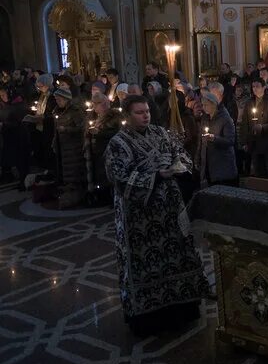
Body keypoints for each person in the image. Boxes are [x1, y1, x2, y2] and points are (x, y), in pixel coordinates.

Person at [104, 95, 209, 336]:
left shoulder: (161, 133)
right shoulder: (118, 143)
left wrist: (178, 166)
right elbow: (118, 178)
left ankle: (183, 309)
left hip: (169, 212)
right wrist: (156, 175)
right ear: (128, 116)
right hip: (139, 219)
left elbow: (181, 154)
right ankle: (149, 318)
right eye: (139, 112)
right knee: (146, 262)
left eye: (147, 111)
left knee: (176, 255)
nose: (145, 115)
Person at [84, 93, 122, 202]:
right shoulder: (94, 116)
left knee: (109, 175)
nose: (94, 106)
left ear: (105, 104)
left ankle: (111, 197)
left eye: (97, 103)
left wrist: (99, 133)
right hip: (96, 151)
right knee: (99, 175)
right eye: (93, 103)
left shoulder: (114, 117)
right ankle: (101, 194)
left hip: (109, 151)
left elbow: (116, 133)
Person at [52, 87, 87, 208]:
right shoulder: (57, 111)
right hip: (62, 146)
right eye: (56, 99)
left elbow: (82, 127)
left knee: (74, 172)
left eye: (59, 99)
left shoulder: (75, 111)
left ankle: (76, 195)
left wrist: (66, 129)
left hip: (74, 147)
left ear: (66, 99)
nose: (57, 101)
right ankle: (68, 193)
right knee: (65, 172)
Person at [241, 78, 268, 178]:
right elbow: (245, 123)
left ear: (264, 87)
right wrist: (245, 141)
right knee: (257, 171)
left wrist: (263, 127)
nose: (255, 89)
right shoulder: (249, 103)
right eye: (253, 86)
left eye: (257, 86)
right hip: (254, 142)